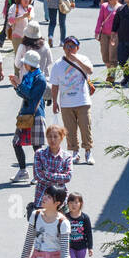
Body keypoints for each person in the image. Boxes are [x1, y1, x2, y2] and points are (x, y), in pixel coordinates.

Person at [50, 36, 95, 164]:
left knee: (85, 127)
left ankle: (88, 151)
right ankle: (75, 152)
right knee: (70, 130)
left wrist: (77, 60)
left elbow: (90, 70)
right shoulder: (58, 64)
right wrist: (54, 102)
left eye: (73, 46)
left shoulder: (84, 59)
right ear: (63, 48)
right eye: (67, 46)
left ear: (77, 48)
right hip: (66, 103)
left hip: (82, 100)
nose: (70, 49)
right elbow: (55, 84)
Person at [9, 50, 47, 183]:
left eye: (25, 63)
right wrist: (16, 86)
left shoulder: (40, 79)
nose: (24, 65)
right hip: (25, 114)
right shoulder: (28, 76)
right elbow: (24, 95)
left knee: (37, 147)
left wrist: (19, 84)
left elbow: (31, 96)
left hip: (36, 115)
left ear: (30, 64)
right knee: (16, 143)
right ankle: (23, 170)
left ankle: (39, 174)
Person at [30, 123, 73, 212]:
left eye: (55, 136)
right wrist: (57, 180)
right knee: (39, 225)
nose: (52, 139)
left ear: (61, 138)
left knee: (61, 224)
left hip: (60, 201)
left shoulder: (67, 156)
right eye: (49, 136)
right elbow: (37, 175)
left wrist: (47, 174)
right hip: (42, 198)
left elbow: (68, 177)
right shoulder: (39, 153)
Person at [66, 193, 94, 258]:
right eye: (71, 202)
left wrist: (90, 247)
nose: (74, 205)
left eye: (76, 202)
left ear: (81, 203)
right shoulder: (65, 217)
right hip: (70, 246)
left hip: (82, 247)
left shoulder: (84, 218)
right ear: (68, 204)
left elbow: (89, 233)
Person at [95, 0, 122, 86]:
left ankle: (112, 75)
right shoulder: (104, 6)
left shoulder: (120, 8)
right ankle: (109, 70)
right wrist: (97, 32)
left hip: (115, 35)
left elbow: (121, 23)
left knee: (113, 55)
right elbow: (100, 19)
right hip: (104, 34)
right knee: (104, 55)